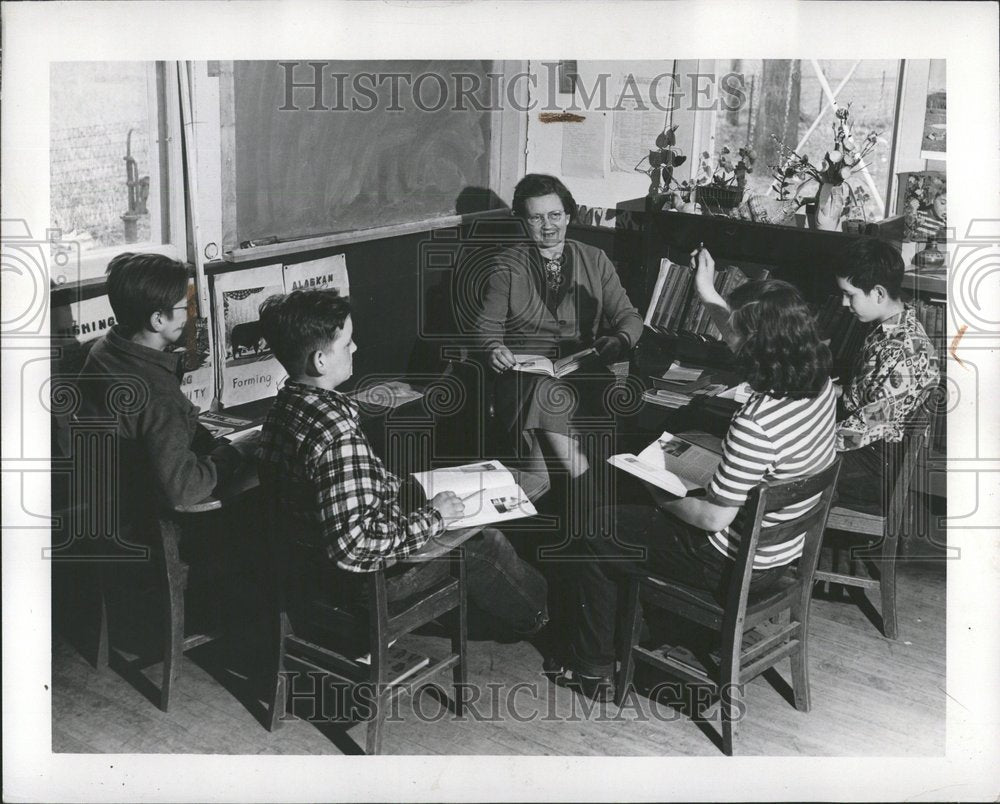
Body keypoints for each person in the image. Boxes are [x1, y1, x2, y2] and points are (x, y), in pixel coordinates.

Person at [562, 255, 838, 701]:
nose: (731, 340)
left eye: (740, 336)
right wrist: (707, 293)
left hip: (727, 562)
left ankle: (593, 667)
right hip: (780, 554)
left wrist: (660, 492)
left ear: (760, 346)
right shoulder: (819, 382)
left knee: (598, 526)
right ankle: (646, 627)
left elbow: (711, 519)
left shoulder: (757, 422)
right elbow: (739, 330)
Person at [255, 289, 548, 643]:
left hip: (307, 573)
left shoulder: (284, 408)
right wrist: (434, 518)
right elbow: (355, 547)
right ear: (320, 361)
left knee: (464, 519)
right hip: (360, 586)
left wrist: (407, 491)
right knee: (487, 545)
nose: (356, 349)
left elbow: (339, 492)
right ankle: (540, 619)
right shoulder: (337, 434)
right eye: (347, 343)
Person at [473, 173, 644, 481]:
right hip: (523, 377)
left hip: (584, 372)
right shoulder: (507, 265)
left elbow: (630, 318)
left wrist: (619, 340)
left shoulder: (595, 259)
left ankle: (536, 499)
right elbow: (488, 326)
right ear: (524, 222)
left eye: (554, 215)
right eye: (536, 218)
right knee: (546, 391)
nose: (547, 225)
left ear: (568, 216)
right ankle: (588, 488)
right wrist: (493, 348)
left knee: (549, 408)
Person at [77, 253, 257, 538]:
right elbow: (184, 490)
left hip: (107, 493)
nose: (192, 313)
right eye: (186, 306)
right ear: (158, 319)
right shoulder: (157, 396)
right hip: (151, 515)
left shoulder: (103, 349)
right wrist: (236, 450)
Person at [833, 238, 940, 513]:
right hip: (865, 446)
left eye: (850, 294)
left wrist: (808, 440)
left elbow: (870, 423)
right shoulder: (891, 329)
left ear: (879, 293)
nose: (844, 303)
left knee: (783, 463)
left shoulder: (903, 351)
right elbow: (865, 393)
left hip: (874, 465)